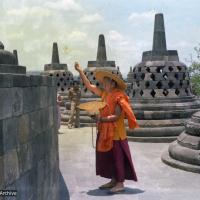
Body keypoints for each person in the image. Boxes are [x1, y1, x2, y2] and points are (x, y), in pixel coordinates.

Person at [75, 62, 139, 194]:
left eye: (105, 82)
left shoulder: (119, 97)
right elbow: (89, 86)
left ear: (113, 84)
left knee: (118, 157)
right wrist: (81, 71)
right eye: (103, 82)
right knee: (110, 157)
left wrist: (101, 119)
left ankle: (120, 183)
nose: (103, 84)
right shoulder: (104, 94)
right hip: (105, 131)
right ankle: (113, 180)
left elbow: (116, 116)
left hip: (117, 133)